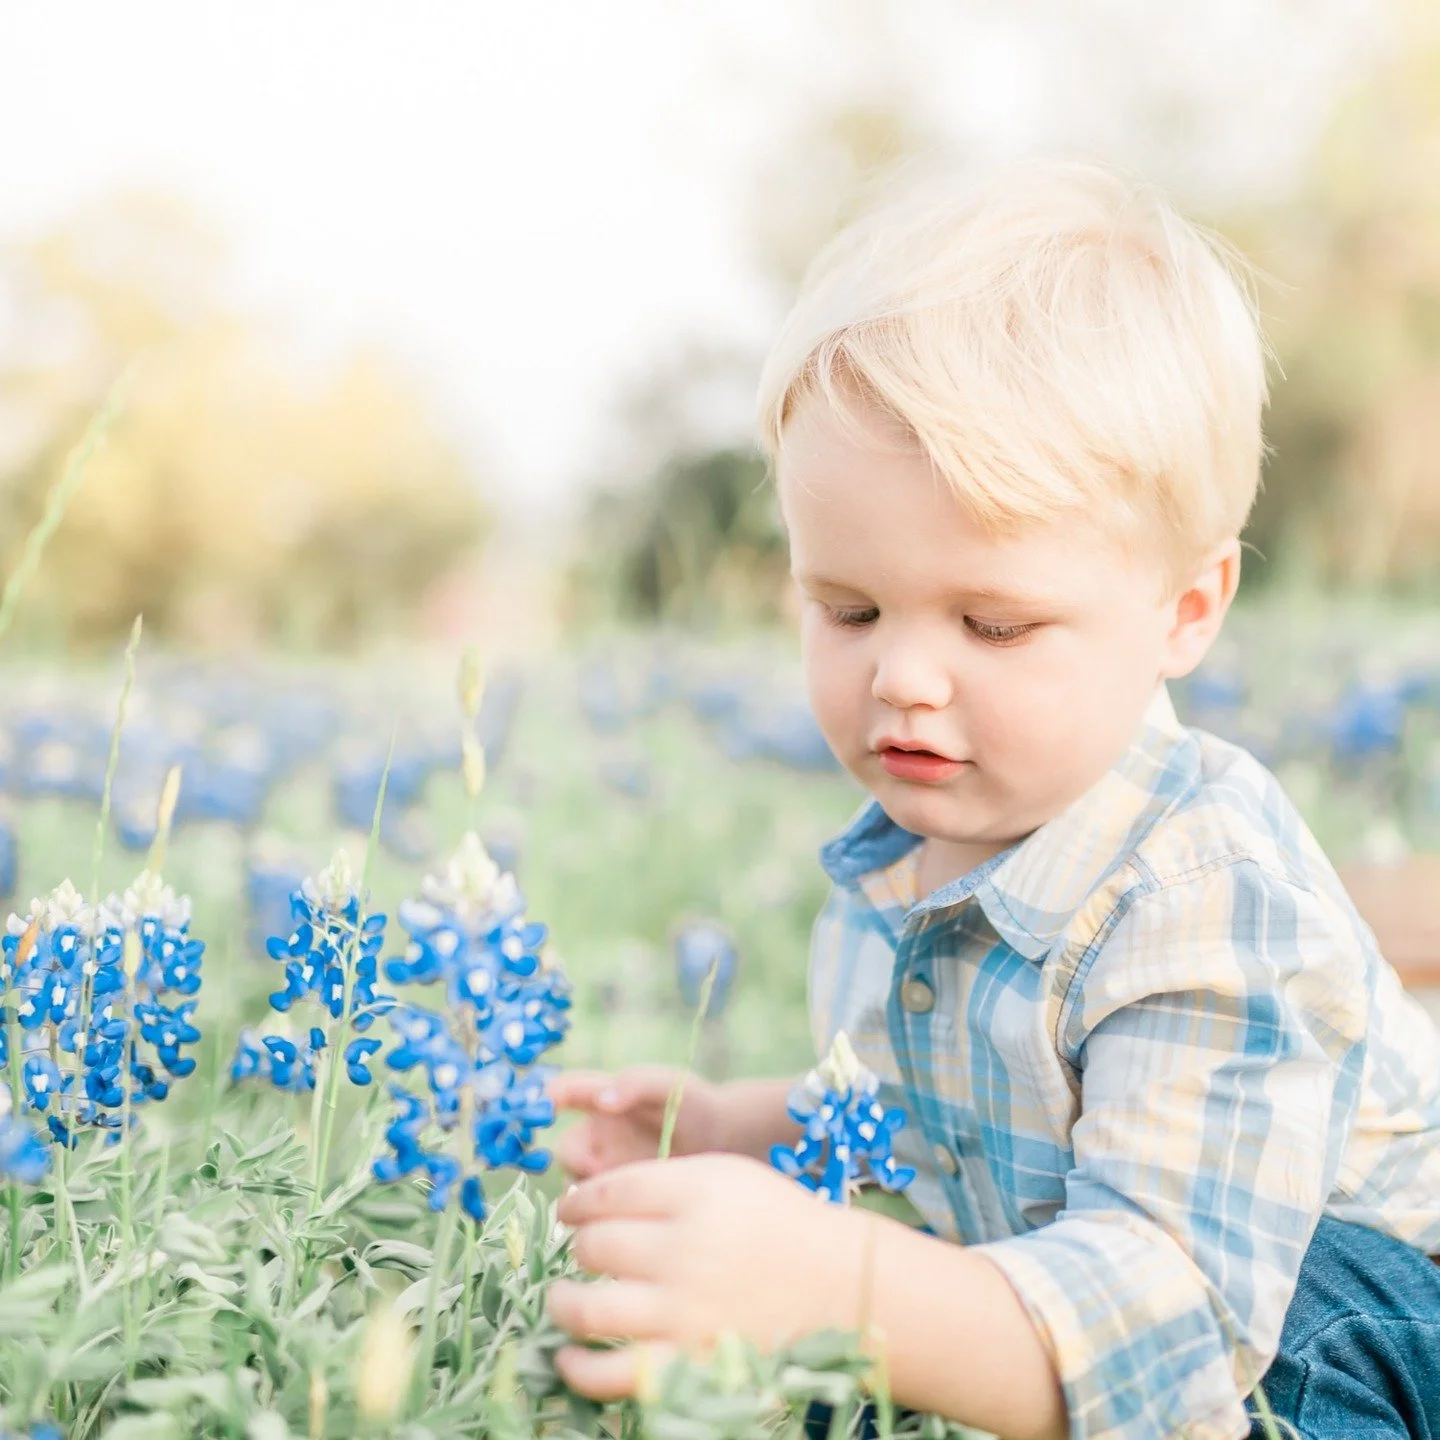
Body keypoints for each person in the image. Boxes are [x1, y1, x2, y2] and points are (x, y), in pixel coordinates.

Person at [544, 160, 1440, 1440]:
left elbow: (1174, 1327)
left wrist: (838, 1288)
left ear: (1185, 610)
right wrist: (742, 1127)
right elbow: (956, 1105)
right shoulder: (919, 841)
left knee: (1271, 1341)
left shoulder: (1209, 901)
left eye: (996, 623)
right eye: (847, 608)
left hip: (1348, 1319)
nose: (903, 677)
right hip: (1135, 1295)